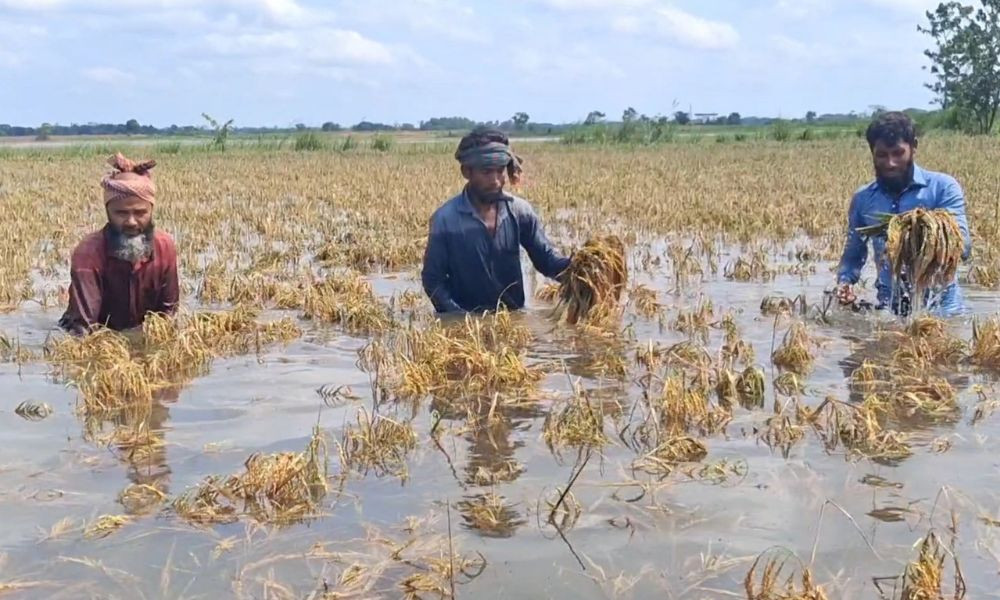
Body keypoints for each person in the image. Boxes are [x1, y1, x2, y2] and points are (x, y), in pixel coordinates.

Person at [421, 127, 570, 314]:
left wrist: (579, 267)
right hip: (468, 328)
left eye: (500, 171)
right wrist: (461, 320)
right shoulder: (445, 220)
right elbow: (433, 281)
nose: (496, 181)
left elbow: (547, 261)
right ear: (467, 172)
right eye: (486, 172)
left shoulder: (520, 211)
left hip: (514, 322)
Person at [835, 111, 971, 316]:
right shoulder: (863, 199)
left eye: (898, 153)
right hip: (890, 310)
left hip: (943, 310)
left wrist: (920, 230)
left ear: (913, 146)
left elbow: (963, 249)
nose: (890, 163)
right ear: (872, 152)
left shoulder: (942, 188)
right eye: (882, 155)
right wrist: (845, 282)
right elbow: (854, 253)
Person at [59, 153, 179, 335]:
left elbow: (169, 313)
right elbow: (84, 327)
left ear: (151, 210)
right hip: (95, 329)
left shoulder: (165, 247)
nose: (131, 222)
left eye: (140, 213)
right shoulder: (88, 253)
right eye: (121, 213)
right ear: (108, 211)